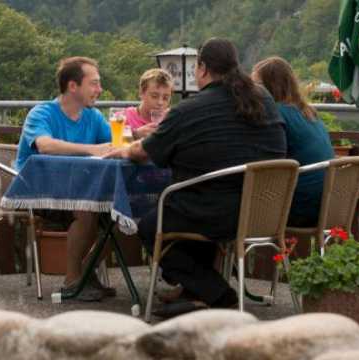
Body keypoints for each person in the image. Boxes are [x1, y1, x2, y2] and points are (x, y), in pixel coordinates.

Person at [105, 38, 287, 317]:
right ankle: (196, 294)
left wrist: (123, 149)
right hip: (264, 210)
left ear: (201, 69)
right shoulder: (263, 99)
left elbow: (143, 153)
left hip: (215, 212)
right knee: (190, 207)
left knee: (151, 226)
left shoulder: (189, 109)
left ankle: (217, 293)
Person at [15, 56, 114, 301]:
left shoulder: (92, 116)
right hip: (38, 191)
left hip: (80, 188)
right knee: (85, 207)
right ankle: (72, 281)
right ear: (73, 86)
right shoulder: (42, 113)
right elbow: (45, 145)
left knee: (123, 214)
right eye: (94, 84)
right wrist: (92, 149)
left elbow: (115, 144)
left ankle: (85, 272)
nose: (100, 90)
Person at [252, 57, 334, 227]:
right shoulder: (307, 111)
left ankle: (239, 253)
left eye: (257, 85)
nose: (252, 90)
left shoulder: (276, 114)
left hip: (299, 207)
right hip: (325, 204)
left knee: (234, 208)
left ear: (271, 86)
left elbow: (265, 162)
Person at [122, 69, 174, 139]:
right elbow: (110, 144)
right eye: (154, 96)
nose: (160, 102)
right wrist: (135, 135)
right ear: (141, 93)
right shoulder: (124, 117)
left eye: (165, 98)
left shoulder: (172, 119)